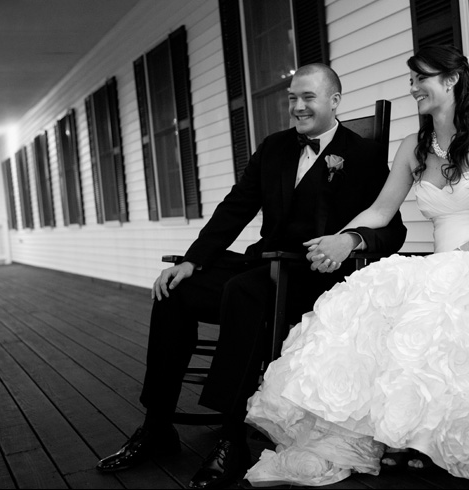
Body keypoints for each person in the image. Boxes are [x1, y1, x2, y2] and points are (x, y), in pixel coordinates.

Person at [242, 46, 469, 489]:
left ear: (451, 81)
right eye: (410, 80)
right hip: (441, 264)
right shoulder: (414, 147)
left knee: (432, 300)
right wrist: (346, 236)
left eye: (421, 79)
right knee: (367, 294)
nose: (412, 88)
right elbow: (380, 210)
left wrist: (460, 257)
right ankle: (394, 432)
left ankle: (430, 438)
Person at [95, 63, 407, 489]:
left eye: (308, 98)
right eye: (293, 97)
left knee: (244, 293)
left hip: (311, 275)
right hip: (263, 264)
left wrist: (350, 239)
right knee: (175, 289)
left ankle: (231, 437)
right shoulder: (274, 147)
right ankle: (157, 424)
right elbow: (235, 207)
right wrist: (192, 259)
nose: (297, 106)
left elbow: (393, 228)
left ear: (334, 101)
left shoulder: (365, 155)